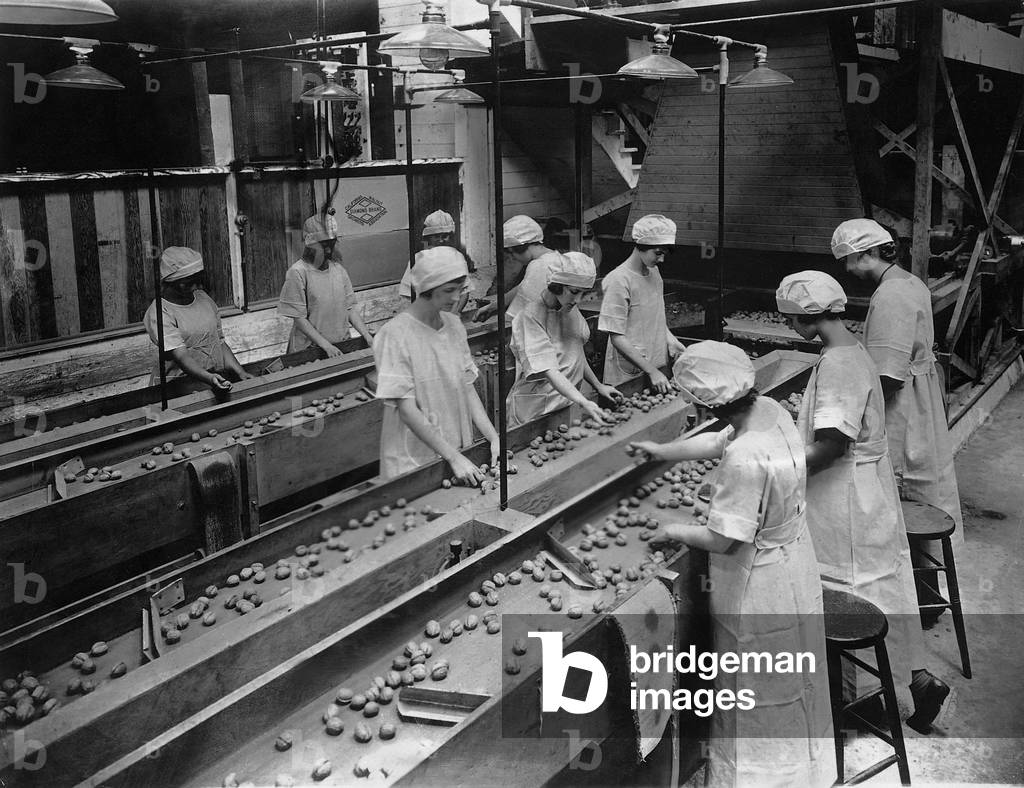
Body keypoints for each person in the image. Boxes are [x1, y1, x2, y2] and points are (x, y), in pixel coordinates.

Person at [631, 341, 835, 788]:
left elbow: (722, 540)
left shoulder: (744, 457)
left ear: (706, 403)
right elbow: (719, 440)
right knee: (791, 677)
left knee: (753, 687)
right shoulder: (769, 411)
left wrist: (671, 529)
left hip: (758, 581)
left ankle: (756, 780)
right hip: (794, 563)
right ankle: (802, 773)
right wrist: (663, 452)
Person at [777, 271, 950, 733]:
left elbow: (831, 445)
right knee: (884, 589)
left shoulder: (837, 364)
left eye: (790, 319)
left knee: (849, 595)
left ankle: (859, 702)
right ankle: (917, 680)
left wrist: (773, 465)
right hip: (870, 491)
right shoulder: (854, 350)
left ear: (806, 317)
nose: (790, 326)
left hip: (846, 496)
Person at [832, 218, 965, 625]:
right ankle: (926, 596)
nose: (847, 270)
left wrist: (852, 410)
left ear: (869, 253)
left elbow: (887, 376)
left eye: (849, 260)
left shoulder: (889, 296)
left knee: (903, 496)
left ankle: (917, 600)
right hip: (921, 396)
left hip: (903, 409)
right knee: (922, 494)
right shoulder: (911, 282)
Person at [373, 246, 499, 484]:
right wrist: (453, 457)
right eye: (449, 290)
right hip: (414, 457)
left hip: (455, 450)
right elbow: (407, 409)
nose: (456, 298)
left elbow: (467, 388)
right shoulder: (394, 335)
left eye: (460, 289)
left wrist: (493, 437)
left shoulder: (454, 326)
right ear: (427, 289)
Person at [507, 251, 622, 428]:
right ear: (557, 285)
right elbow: (549, 370)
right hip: (535, 410)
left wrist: (598, 386)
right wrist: (583, 401)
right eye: (574, 292)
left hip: (564, 403)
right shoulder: (529, 317)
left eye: (583, 293)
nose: (578, 300)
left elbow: (575, 353)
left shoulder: (569, 309)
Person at [144, 247, 253, 391]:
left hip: (211, 380)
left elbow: (219, 342)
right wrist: (210, 378)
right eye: (188, 283)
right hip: (178, 387)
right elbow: (182, 357)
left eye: (197, 281)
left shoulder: (203, 299)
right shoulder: (160, 312)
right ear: (170, 281)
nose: (195, 287)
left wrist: (240, 372)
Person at [599, 213, 685, 392]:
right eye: (658, 253)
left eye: (664, 254)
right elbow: (616, 336)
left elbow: (655, 317)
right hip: (630, 368)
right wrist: (651, 371)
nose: (661, 259)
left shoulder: (654, 273)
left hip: (656, 363)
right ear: (641, 246)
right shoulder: (618, 280)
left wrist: (671, 340)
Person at [278, 214, 373, 358]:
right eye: (323, 245)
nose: (328, 250)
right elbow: (299, 318)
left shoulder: (338, 270)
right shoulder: (297, 272)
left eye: (331, 244)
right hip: (310, 351)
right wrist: (326, 345)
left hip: (341, 346)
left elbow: (349, 309)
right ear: (310, 244)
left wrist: (367, 336)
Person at [473, 214, 562, 322]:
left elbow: (520, 313)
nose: (514, 258)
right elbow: (522, 288)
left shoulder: (538, 266)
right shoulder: (555, 257)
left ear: (517, 249)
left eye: (512, 254)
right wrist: (492, 307)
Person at [398, 210, 474, 314]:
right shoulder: (418, 259)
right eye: (436, 236)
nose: (441, 240)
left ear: (451, 236)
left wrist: (453, 315)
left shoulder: (457, 257)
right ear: (429, 238)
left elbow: (465, 292)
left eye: (445, 236)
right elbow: (406, 296)